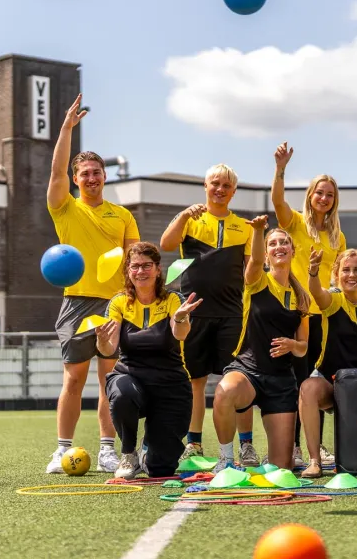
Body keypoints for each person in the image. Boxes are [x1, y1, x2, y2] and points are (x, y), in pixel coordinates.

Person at [45, 94, 140, 474]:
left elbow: (135, 260)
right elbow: (54, 174)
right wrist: (67, 128)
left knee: (109, 379)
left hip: (115, 304)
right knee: (74, 378)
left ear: (105, 176)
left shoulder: (122, 215)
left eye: (96, 172)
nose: (91, 177)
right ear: (75, 179)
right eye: (84, 173)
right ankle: (61, 449)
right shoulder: (65, 206)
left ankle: (106, 450)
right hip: (76, 302)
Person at [159, 164, 259, 466]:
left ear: (233, 191)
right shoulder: (190, 220)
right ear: (205, 186)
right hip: (195, 314)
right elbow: (165, 244)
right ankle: (194, 444)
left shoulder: (243, 226)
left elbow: (252, 270)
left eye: (226, 185)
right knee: (196, 382)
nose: (220, 189)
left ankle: (246, 446)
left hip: (232, 315)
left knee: (238, 380)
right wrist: (183, 215)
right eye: (215, 183)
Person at [95, 242, 203, 479]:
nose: (140, 271)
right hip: (130, 378)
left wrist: (181, 318)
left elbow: (180, 334)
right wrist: (101, 341)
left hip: (170, 385)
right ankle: (128, 454)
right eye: (135, 266)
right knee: (122, 393)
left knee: (160, 468)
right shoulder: (119, 302)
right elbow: (109, 348)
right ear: (128, 271)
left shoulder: (174, 299)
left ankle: (149, 450)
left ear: (157, 269)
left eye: (146, 266)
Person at [211, 222, 310, 473]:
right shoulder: (258, 281)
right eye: (273, 243)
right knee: (224, 391)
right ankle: (226, 460)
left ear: (292, 250)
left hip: (281, 382)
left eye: (284, 242)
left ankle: (271, 460)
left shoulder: (301, 296)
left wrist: (292, 344)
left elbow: (303, 348)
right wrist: (257, 231)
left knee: (282, 469)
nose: (279, 246)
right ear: (266, 253)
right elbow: (253, 260)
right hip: (248, 371)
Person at [270, 141, 346, 469]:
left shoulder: (337, 237)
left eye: (329, 194)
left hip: (323, 316)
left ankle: (315, 445)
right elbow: (276, 200)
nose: (324, 198)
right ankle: (295, 449)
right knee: (297, 381)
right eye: (319, 193)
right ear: (311, 195)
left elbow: (339, 276)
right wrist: (281, 169)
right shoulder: (297, 223)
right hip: (294, 314)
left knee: (318, 381)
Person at [299, 247, 357, 478]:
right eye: (346, 270)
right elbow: (316, 291)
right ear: (337, 273)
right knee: (307, 388)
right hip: (330, 382)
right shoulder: (333, 300)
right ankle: (315, 461)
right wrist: (313, 271)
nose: (351, 275)